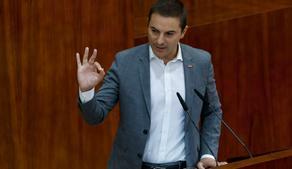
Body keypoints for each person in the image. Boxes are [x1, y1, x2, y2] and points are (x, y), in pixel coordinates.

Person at [76, 0, 225, 168]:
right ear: (147, 24)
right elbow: (95, 116)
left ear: (183, 32)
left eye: (169, 34)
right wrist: (87, 91)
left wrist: (207, 154)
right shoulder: (126, 62)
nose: (159, 40)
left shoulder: (200, 62)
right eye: (154, 31)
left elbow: (212, 111)